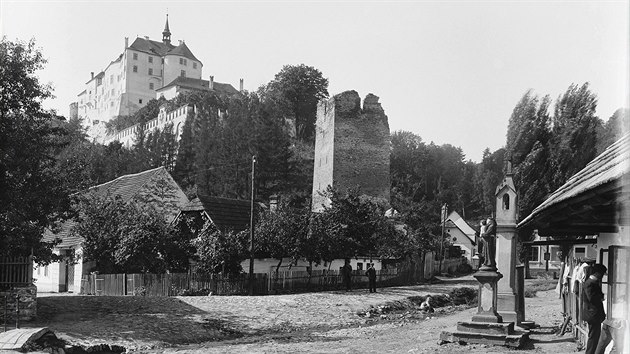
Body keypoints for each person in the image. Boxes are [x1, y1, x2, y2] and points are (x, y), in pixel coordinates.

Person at [583, 263, 607, 354]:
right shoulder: (590, 283)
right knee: (593, 336)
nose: (602, 276)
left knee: (595, 336)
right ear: (597, 273)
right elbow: (592, 298)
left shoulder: (593, 282)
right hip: (592, 314)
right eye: (602, 274)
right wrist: (600, 297)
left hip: (594, 314)